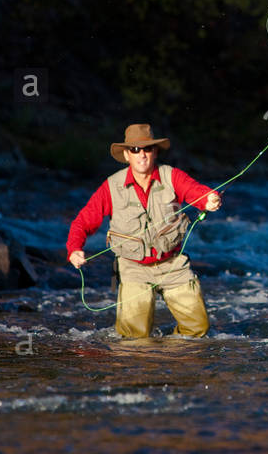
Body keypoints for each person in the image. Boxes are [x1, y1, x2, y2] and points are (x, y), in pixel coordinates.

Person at [66, 123, 221, 338]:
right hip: (133, 268)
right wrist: (74, 249)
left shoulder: (172, 176)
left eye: (147, 149)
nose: (142, 155)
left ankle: (173, 361)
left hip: (173, 264)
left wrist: (209, 199)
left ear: (155, 152)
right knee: (134, 338)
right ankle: (145, 366)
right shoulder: (111, 186)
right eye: (135, 150)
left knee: (197, 331)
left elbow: (195, 191)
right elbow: (83, 222)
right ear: (127, 155)